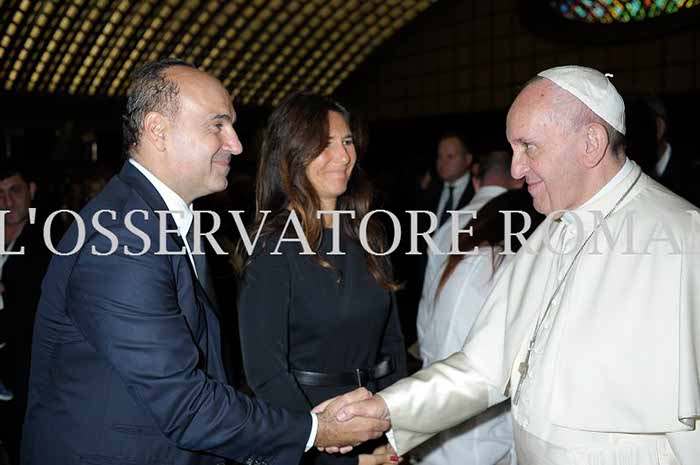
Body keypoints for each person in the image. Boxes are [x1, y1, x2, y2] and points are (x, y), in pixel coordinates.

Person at [22, 59, 389, 465]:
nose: (236, 143)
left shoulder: (156, 220)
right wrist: (318, 432)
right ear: (158, 130)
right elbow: (186, 405)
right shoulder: (124, 238)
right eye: (217, 125)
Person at [332, 65, 700, 465]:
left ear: (591, 143)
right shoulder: (551, 230)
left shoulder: (683, 235)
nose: (515, 170)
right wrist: (388, 409)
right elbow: (482, 367)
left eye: (529, 147)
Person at [236, 91, 407, 465]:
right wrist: (334, 453)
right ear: (292, 153)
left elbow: (392, 346)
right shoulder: (271, 247)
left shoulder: (370, 235)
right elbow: (266, 375)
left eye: (346, 142)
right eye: (324, 144)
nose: (343, 156)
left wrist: (397, 429)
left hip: (376, 423)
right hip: (311, 437)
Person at [415, 152, 531, 465]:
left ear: (477, 178)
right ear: (520, 179)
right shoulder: (521, 233)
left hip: (436, 403)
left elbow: (426, 321)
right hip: (484, 422)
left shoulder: (447, 227)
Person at [0, 163, 52, 465]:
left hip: (28, 376)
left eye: (14, 191)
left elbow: (32, 311)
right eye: (0, 194)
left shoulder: (49, 241)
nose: (7, 202)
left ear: (31, 190)